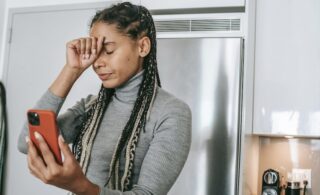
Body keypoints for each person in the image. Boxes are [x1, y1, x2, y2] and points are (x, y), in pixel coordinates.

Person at [17, 2, 192, 195]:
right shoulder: (91, 106)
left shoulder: (171, 113)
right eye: (95, 53)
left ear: (142, 46)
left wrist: (80, 186)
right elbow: (27, 142)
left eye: (108, 51)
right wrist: (71, 70)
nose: (98, 63)